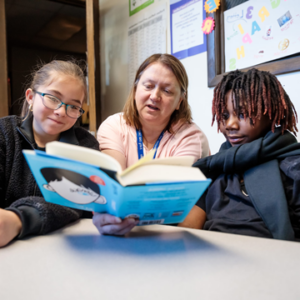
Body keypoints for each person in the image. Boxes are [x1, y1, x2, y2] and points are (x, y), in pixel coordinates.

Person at [93, 53, 210, 235]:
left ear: (180, 101)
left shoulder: (190, 136)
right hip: (122, 226)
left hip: (170, 228)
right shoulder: (113, 126)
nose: (155, 96)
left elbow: (171, 200)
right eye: (148, 86)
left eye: (167, 91)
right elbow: (113, 188)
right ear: (135, 89)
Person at [180, 68, 300, 241]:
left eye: (242, 114)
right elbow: (187, 233)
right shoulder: (214, 169)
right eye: (225, 115)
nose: (230, 124)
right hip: (211, 260)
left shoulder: (293, 166)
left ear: (271, 114)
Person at [0, 60, 99, 247]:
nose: (61, 111)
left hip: (66, 247)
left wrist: (19, 218)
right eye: (53, 98)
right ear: (30, 96)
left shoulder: (85, 145)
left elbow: (75, 201)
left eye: (73, 106)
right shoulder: (4, 133)